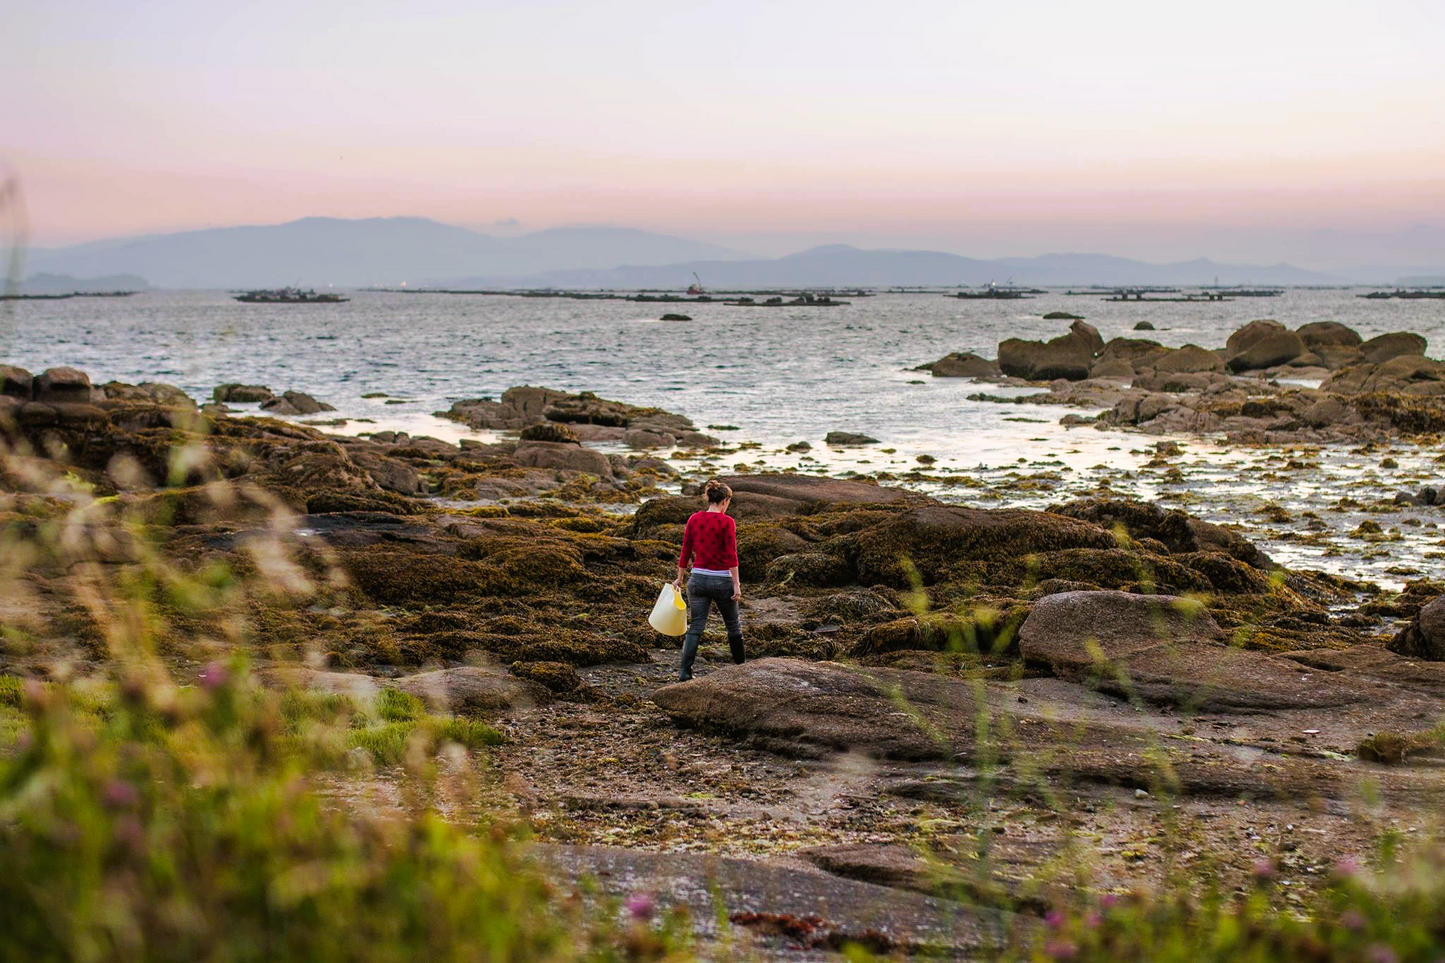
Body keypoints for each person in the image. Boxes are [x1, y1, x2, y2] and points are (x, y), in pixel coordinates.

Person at [673, 479, 745, 681]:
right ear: (724, 501)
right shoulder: (727, 522)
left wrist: (679, 578)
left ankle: (685, 672)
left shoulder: (694, 519)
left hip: (697, 580)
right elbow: (732, 555)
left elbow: (685, 550)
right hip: (722, 581)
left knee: (696, 626)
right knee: (733, 626)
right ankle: (742, 670)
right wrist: (736, 584)